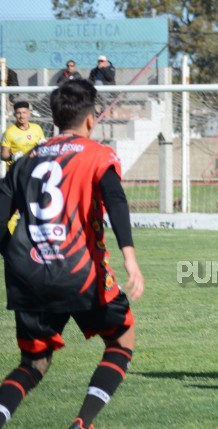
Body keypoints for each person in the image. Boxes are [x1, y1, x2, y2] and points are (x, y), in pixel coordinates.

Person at [0, 79, 144, 429]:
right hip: (80, 271)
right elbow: (115, 199)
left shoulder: (26, 160)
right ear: (91, 119)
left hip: (28, 275)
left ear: (53, 119)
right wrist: (129, 255)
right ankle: (83, 423)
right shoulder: (98, 155)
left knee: (33, 363)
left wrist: (13, 256)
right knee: (121, 342)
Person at [1, 101, 46, 171]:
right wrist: (13, 157)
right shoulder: (9, 132)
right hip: (16, 171)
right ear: (14, 115)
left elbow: (42, 148)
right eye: (18, 113)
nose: (21, 116)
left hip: (33, 169)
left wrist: (43, 145)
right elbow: (3, 155)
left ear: (29, 114)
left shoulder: (37, 128)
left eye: (24, 113)